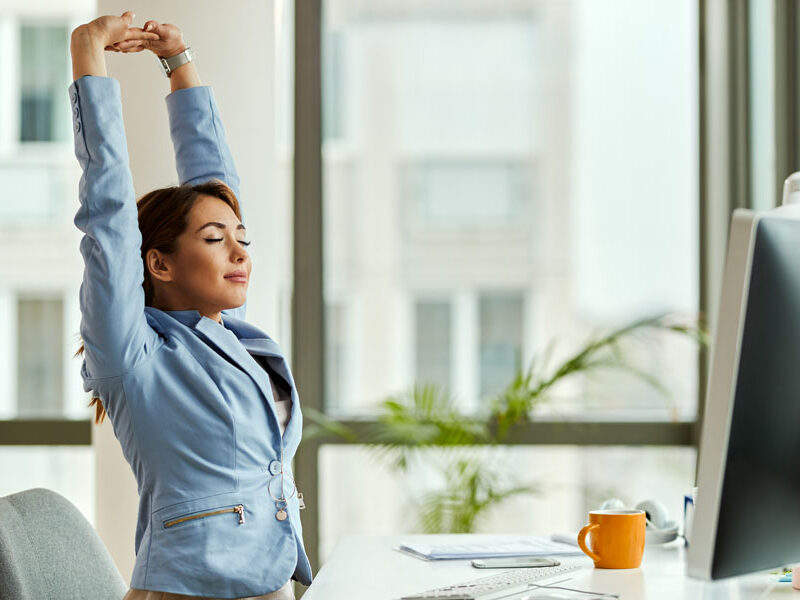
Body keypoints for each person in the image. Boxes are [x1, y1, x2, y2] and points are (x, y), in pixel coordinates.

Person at [69, 12, 311, 599]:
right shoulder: (132, 352)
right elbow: (109, 219)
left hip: (271, 584)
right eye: (213, 240)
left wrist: (177, 61)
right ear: (158, 264)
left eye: (242, 239)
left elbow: (214, 182)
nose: (239, 252)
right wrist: (88, 55)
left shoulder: (237, 341)